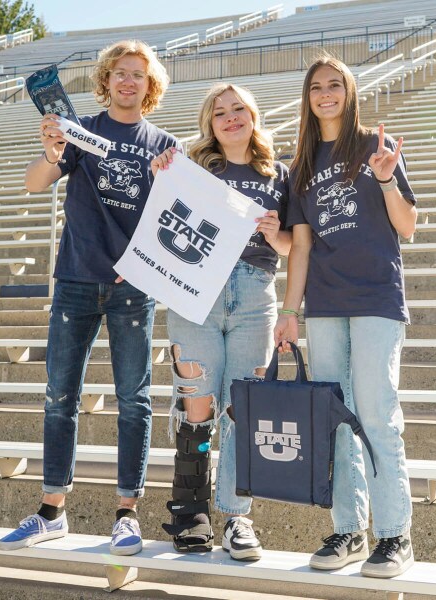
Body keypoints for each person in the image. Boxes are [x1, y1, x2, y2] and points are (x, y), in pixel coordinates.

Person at [0, 40, 179, 556]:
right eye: (119, 73)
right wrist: (52, 150)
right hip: (75, 280)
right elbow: (35, 183)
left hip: (133, 290)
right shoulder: (83, 131)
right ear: (106, 80)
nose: (128, 81)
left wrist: (173, 175)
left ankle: (126, 514)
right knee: (60, 396)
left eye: (138, 75)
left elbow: (175, 222)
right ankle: (51, 510)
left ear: (150, 85)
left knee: (134, 401)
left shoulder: (164, 144)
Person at [274, 53, 417, 578]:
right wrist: (290, 310)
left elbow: (407, 226)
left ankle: (394, 534)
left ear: (350, 92)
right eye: (317, 87)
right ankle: (349, 529)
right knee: (336, 419)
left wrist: (385, 181)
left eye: (335, 85)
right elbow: (302, 247)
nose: (326, 93)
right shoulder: (301, 164)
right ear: (307, 98)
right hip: (326, 306)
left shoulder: (375, 147)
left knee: (377, 413)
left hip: (376, 298)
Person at [151, 82, 290, 561]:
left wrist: (277, 234)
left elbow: (295, 247)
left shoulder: (280, 175)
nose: (231, 118)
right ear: (209, 123)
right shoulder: (191, 169)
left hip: (255, 292)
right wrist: (160, 174)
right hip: (197, 292)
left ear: (253, 117)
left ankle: (237, 520)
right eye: (220, 112)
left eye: (239, 110)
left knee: (242, 408)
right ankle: (191, 514)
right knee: (197, 405)